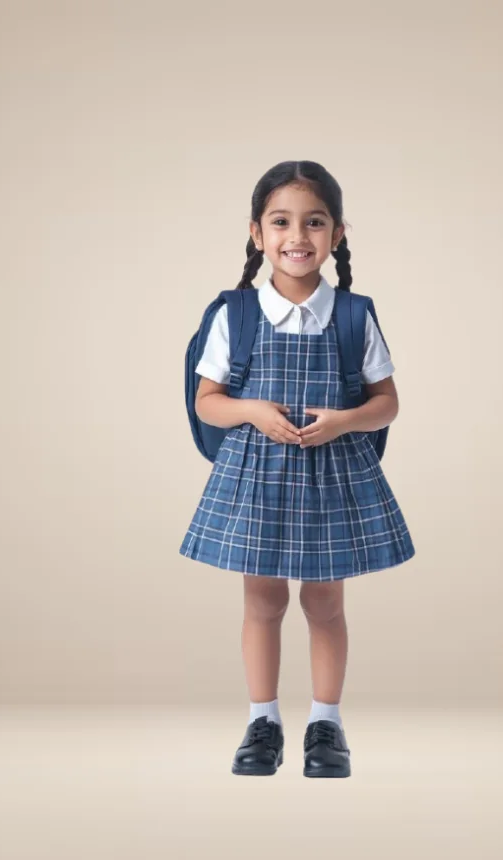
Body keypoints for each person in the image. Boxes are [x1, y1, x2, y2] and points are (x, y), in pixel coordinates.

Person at [180, 161, 415, 778]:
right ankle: (263, 722)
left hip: (331, 477)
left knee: (325, 604)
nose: (297, 236)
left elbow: (387, 403)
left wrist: (344, 421)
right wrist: (252, 411)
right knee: (262, 603)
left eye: (314, 222)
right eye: (281, 222)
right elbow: (207, 401)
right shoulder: (235, 313)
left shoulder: (354, 315)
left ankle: (325, 725)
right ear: (256, 233)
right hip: (256, 477)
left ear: (337, 233)